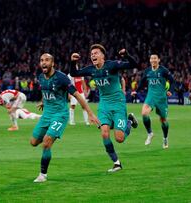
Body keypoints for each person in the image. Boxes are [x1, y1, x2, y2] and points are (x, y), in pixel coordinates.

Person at [31, 53, 99, 183]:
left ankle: (43, 175)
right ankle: (50, 137)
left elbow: (78, 95)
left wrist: (90, 113)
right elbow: (47, 92)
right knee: (33, 142)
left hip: (60, 115)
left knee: (46, 142)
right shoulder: (41, 77)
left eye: (47, 60)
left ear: (53, 63)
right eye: (41, 60)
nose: (43, 62)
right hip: (46, 115)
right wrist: (43, 101)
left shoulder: (62, 78)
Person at [70, 44, 138, 173]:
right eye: (92, 54)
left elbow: (134, 64)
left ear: (102, 56)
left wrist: (126, 55)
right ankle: (116, 163)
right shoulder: (91, 70)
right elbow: (74, 73)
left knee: (119, 138)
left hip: (118, 103)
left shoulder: (112, 65)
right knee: (104, 133)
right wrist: (73, 62)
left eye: (96, 53)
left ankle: (129, 122)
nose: (93, 55)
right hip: (104, 104)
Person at [132, 53, 175, 149]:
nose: (153, 60)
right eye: (152, 58)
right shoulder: (147, 71)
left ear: (159, 60)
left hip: (161, 98)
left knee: (163, 120)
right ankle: (150, 133)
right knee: (144, 113)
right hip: (150, 96)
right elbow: (142, 82)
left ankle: (165, 138)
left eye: (155, 58)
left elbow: (172, 81)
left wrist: (170, 91)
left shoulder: (163, 70)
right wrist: (136, 91)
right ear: (150, 60)